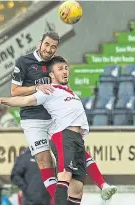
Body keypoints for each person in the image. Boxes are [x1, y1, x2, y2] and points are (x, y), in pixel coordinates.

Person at [10, 31, 116, 202]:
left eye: (53, 46)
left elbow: (64, 85)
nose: (49, 49)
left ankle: (102, 185)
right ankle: (58, 201)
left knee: (76, 148)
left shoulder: (55, 63)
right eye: (47, 45)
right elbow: (14, 91)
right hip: (33, 118)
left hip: (54, 116)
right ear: (40, 43)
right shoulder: (24, 61)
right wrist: (37, 88)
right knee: (45, 162)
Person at [0, 56, 96, 204]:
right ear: (51, 75)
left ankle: (102, 186)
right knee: (63, 175)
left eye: (66, 68)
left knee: (76, 187)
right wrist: (3, 100)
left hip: (73, 139)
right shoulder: (49, 91)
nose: (65, 71)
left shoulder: (70, 92)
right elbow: (24, 100)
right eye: (60, 69)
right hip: (61, 137)